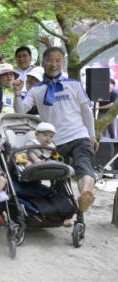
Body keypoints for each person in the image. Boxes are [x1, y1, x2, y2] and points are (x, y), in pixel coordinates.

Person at [13, 47, 97, 213]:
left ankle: (86, 192)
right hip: (54, 144)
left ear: (63, 63)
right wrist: (17, 93)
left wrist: (92, 136)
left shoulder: (74, 85)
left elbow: (86, 111)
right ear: (43, 63)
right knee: (58, 178)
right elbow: (20, 111)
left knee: (84, 166)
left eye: (58, 60)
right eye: (50, 60)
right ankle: (67, 212)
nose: (54, 64)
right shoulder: (36, 90)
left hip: (79, 135)